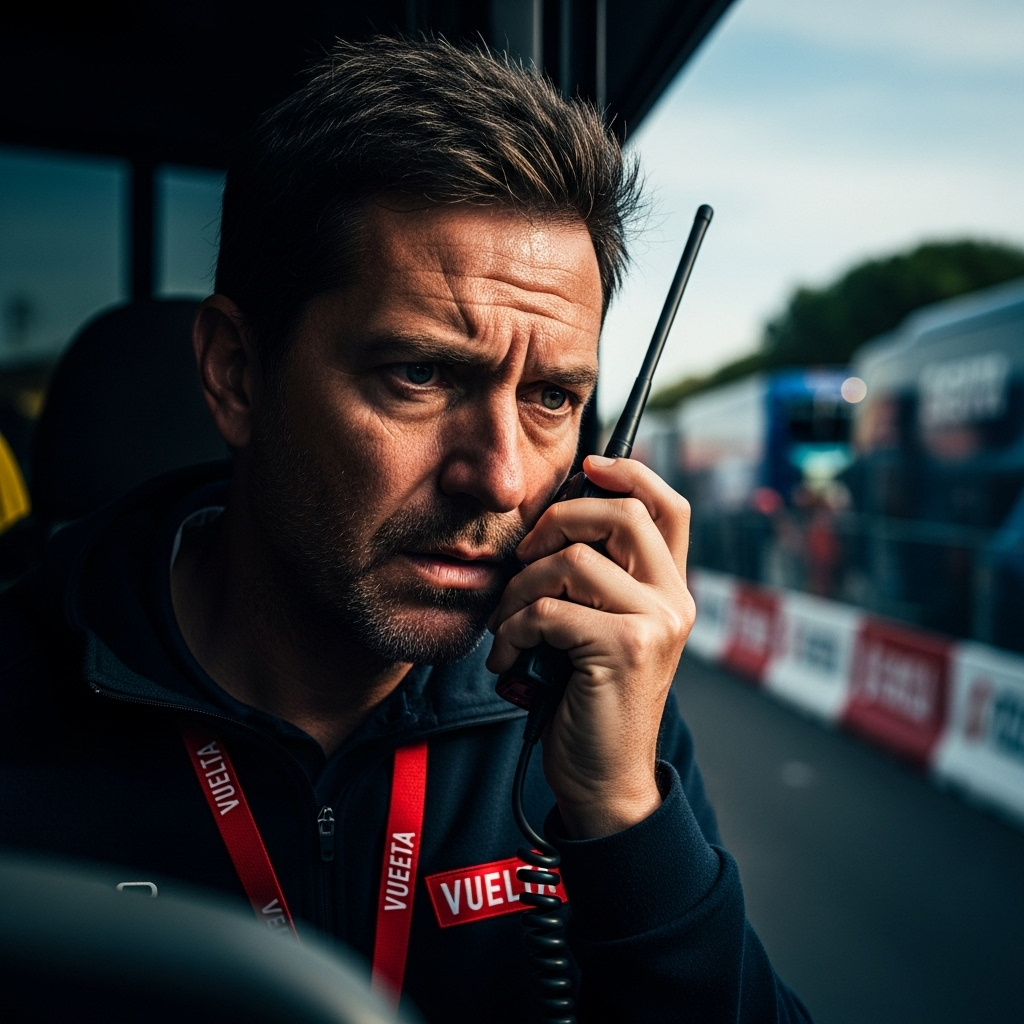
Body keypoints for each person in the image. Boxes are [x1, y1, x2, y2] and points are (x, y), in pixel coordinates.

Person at [0, 37, 811, 1024]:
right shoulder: (20, 694)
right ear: (236, 374)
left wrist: (626, 817)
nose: (503, 477)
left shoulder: (586, 705)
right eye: (419, 377)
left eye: (551, 396)